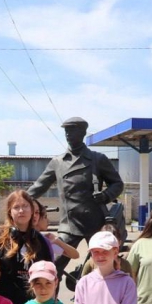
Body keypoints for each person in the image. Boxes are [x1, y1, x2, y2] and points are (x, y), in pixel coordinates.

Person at [27, 116, 124, 272]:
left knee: (104, 264)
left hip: (95, 222)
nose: (68, 134)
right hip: (69, 224)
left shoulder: (97, 159)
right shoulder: (58, 162)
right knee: (53, 265)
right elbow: (39, 186)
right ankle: (50, 294)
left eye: (72, 130)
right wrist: (20, 201)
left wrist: (106, 195)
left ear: (83, 132)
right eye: (66, 131)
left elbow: (117, 184)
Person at [0, 190, 53, 304]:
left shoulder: (40, 241)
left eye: (25, 206)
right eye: (16, 207)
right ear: (10, 212)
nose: (21, 210)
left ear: (32, 210)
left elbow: (50, 275)